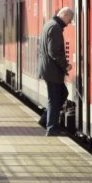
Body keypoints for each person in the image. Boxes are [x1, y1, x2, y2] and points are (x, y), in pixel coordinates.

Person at [38, 7, 74, 136]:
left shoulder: (49, 24)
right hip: (52, 70)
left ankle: (45, 120)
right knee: (55, 99)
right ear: (65, 15)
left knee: (62, 93)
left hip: (49, 69)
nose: (69, 23)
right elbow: (54, 51)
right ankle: (51, 128)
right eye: (70, 19)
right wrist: (65, 66)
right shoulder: (55, 28)